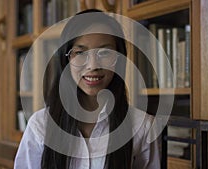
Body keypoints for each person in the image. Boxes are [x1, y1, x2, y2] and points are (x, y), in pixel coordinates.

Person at [14, 9, 160, 169]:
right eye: (80, 52)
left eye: (105, 52)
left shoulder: (142, 127)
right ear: (67, 59)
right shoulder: (40, 126)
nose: (93, 66)